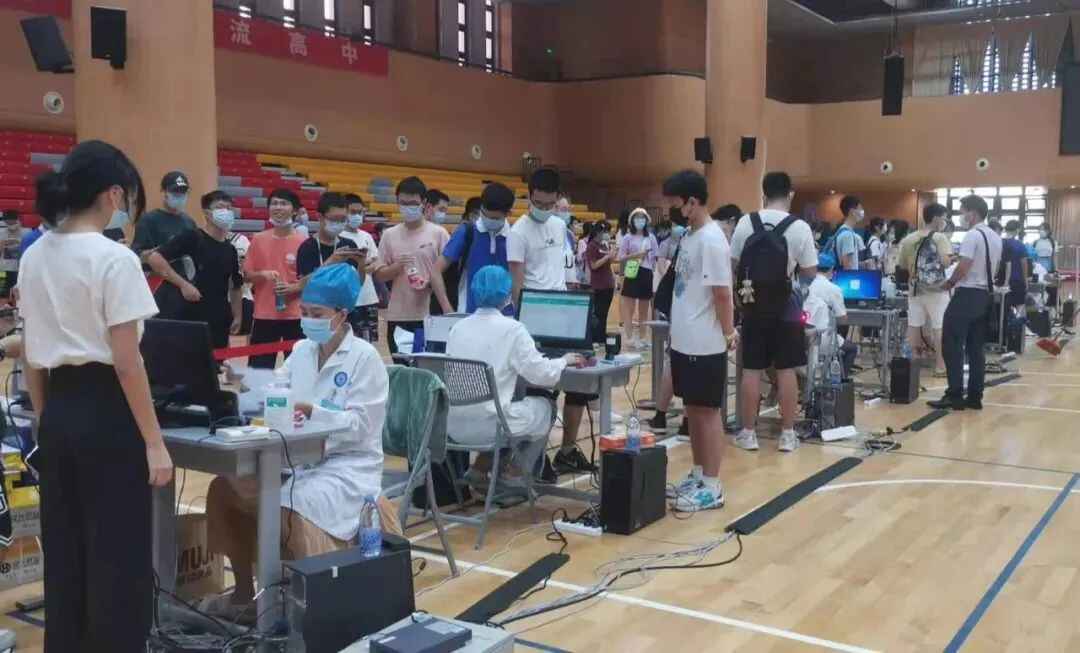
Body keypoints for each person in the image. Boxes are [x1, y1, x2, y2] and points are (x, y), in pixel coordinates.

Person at [20, 140, 173, 651]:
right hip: (109, 412)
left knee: (65, 556)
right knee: (117, 558)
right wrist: (154, 442)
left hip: (59, 410)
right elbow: (128, 363)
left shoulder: (34, 255)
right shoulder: (114, 258)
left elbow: (32, 353)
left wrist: (47, 418)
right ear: (112, 194)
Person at [206, 263, 392, 617]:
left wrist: (314, 412)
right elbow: (276, 388)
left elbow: (362, 426)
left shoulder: (365, 359)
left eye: (316, 314)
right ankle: (245, 593)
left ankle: (301, 605)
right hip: (294, 460)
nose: (307, 320)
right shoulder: (303, 350)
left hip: (346, 467)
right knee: (223, 490)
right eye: (304, 312)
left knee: (292, 506)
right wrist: (242, 380)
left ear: (342, 314)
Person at [446, 266, 584, 486]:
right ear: (507, 294)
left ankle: (480, 468)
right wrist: (563, 360)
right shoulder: (513, 330)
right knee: (545, 407)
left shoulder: (457, 328)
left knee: (509, 408)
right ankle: (516, 473)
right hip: (491, 426)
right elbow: (542, 375)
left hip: (455, 427)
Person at [508, 167, 595, 477]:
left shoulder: (559, 226)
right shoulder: (517, 232)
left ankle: (567, 451)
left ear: (558, 198)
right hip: (534, 319)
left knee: (581, 382)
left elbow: (562, 271)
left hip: (564, 313)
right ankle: (533, 458)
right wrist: (524, 326)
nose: (543, 209)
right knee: (540, 390)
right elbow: (517, 284)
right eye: (538, 203)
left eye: (549, 204)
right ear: (529, 196)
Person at [660, 171, 736, 512]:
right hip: (684, 340)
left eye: (676, 204)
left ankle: (713, 485)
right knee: (692, 410)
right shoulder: (690, 236)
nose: (673, 211)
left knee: (707, 413)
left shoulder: (712, 240)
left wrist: (729, 332)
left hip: (705, 343)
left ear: (692, 202)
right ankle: (698, 472)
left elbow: (722, 294)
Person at [731, 172, 818, 454]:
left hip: (752, 304)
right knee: (786, 370)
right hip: (787, 307)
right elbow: (810, 270)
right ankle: (788, 435)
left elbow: (733, 263)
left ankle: (748, 433)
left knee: (752, 370)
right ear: (790, 194)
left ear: (764, 193)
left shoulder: (746, 222)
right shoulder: (800, 227)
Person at [928, 195, 1002, 411]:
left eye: (962, 212)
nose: (961, 216)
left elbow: (964, 265)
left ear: (973, 213)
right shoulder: (995, 236)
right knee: (976, 348)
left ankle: (954, 394)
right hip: (985, 295)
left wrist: (949, 283)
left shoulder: (972, 235)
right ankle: (975, 396)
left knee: (951, 344)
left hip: (967, 294)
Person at [145, 190, 243, 349]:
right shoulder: (192, 237)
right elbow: (154, 258)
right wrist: (183, 284)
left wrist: (237, 315)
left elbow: (236, 285)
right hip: (187, 317)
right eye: (220, 207)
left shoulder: (230, 249)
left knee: (216, 362)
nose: (226, 212)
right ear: (207, 213)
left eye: (229, 208)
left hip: (218, 319)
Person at [375, 177, 452, 354]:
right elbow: (379, 275)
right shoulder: (389, 235)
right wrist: (396, 267)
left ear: (424, 203)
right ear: (397, 203)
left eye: (413, 203)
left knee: (429, 367)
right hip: (398, 315)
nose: (408, 208)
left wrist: (431, 282)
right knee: (402, 367)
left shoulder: (439, 233)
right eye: (403, 203)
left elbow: (449, 273)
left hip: (431, 315)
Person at [243, 188, 307, 368]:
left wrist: (294, 287)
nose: (278, 207)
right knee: (259, 369)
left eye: (284, 203)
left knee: (298, 369)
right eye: (274, 204)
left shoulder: (304, 242)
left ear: (295, 210)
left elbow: (313, 278)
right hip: (264, 315)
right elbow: (247, 276)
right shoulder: (258, 239)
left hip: (296, 315)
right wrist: (261, 275)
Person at [438, 182, 515, 314]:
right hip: (469, 314)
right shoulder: (467, 232)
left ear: (508, 213)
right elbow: (436, 270)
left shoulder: (514, 237)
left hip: (506, 316)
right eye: (485, 215)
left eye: (495, 218)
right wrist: (447, 309)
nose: (489, 220)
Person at [897, 203, 953, 377]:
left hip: (914, 289)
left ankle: (913, 364)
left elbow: (902, 265)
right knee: (939, 326)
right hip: (936, 289)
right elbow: (946, 262)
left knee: (914, 325)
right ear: (936, 218)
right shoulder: (940, 238)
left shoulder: (908, 239)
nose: (944, 222)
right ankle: (940, 365)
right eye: (944, 218)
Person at [339, 193, 383, 342]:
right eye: (353, 212)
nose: (357, 216)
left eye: (360, 212)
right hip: (348, 301)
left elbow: (376, 260)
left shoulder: (366, 236)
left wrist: (371, 266)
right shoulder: (338, 236)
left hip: (368, 298)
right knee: (347, 341)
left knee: (368, 342)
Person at [132, 170, 196, 263]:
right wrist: (164, 250)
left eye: (183, 192)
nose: (179, 195)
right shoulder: (148, 220)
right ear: (164, 192)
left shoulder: (189, 222)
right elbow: (137, 256)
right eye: (175, 191)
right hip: (157, 271)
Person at [618, 208, 659, 350]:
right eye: (637, 218)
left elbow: (655, 256)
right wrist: (636, 255)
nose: (640, 220)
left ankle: (642, 338)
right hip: (632, 271)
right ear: (632, 220)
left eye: (642, 218)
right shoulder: (627, 237)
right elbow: (621, 257)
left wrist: (652, 267)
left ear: (647, 220)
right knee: (629, 308)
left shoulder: (651, 237)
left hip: (646, 272)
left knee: (644, 309)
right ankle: (629, 338)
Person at [586, 221, 617, 342]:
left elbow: (609, 262)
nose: (607, 234)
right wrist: (607, 256)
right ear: (599, 232)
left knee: (604, 314)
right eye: (606, 231)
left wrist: (612, 254)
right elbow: (593, 265)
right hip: (598, 286)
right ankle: (596, 338)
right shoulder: (592, 246)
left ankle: (601, 338)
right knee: (598, 314)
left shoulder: (604, 245)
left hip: (608, 284)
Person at [831, 195, 866, 271]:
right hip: (848, 278)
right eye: (860, 208)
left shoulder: (842, 231)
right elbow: (847, 266)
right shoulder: (848, 235)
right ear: (852, 211)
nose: (862, 211)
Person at [1000, 220, 1030, 308]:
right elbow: (1024, 265)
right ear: (1017, 230)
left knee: (1003, 308)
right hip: (1017, 280)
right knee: (1019, 307)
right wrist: (1026, 282)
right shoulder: (1020, 245)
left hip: (1001, 281)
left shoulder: (1000, 242)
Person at [0, 210, 25, 296]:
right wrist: (3, 244)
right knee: (3, 293)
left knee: (17, 294)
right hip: (4, 268)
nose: (9, 223)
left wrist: (18, 242)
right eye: (7, 222)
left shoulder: (25, 232)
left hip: (19, 268)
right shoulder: (1, 232)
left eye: (11, 221)